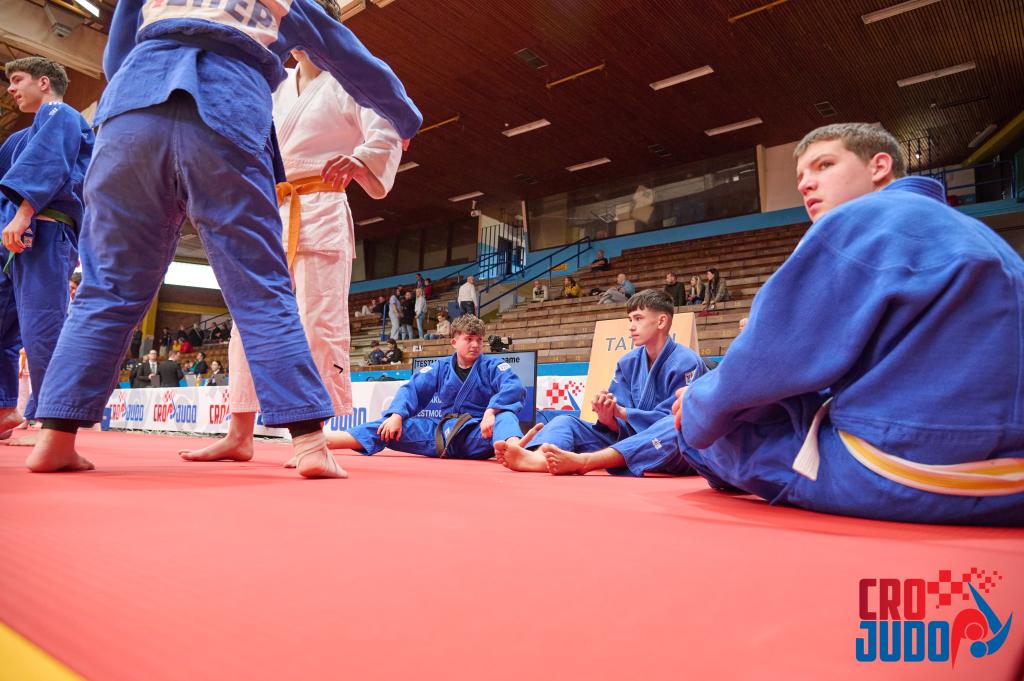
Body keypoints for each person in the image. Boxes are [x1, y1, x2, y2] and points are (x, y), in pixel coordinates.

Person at [540, 123, 1024, 527]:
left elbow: (765, 363)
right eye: (801, 176)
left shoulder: (859, 223)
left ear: (879, 166)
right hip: (1010, 476)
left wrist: (700, 404)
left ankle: (603, 459)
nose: (807, 184)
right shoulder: (983, 238)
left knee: (704, 433)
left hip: (917, 469)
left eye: (824, 165)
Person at [24, 0, 422, 476]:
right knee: (261, 292)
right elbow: (350, 55)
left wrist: (139, 90)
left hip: (133, 112)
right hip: (225, 117)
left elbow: (118, 54)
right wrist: (405, 117)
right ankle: (308, 443)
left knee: (107, 284)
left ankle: (55, 435)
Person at [179, 2, 407, 468]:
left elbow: (386, 126)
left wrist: (362, 158)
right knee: (248, 317)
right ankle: (239, 432)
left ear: (323, 28)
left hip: (321, 205)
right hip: (270, 210)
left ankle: (314, 438)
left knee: (317, 321)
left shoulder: (350, 78)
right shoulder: (276, 82)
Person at [497, 290, 704, 474]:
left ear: (661, 322)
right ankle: (539, 457)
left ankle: (586, 462)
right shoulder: (628, 362)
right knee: (566, 421)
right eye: (630, 320)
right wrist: (608, 415)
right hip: (626, 441)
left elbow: (677, 419)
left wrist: (623, 413)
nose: (631, 327)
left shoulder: (686, 362)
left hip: (667, 447)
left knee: (675, 427)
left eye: (638, 319)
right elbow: (617, 423)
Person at [0, 57, 93, 438]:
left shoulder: (61, 114)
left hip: (44, 229)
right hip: (9, 242)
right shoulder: (16, 140)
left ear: (43, 82)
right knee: (3, 329)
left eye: (17, 79)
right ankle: (5, 409)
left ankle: (53, 419)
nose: (10, 88)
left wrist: (24, 214)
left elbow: (50, 165)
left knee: (43, 326)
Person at [326, 315, 530, 460]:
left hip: (479, 434)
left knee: (505, 416)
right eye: (469, 339)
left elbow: (514, 387)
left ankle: (514, 451)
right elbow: (413, 389)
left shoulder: (493, 365)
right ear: (454, 342)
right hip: (442, 435)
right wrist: (396, 415)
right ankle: (327, 442)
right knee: (389, 425)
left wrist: (491, 411)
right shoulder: (440, 367)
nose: (475, 345)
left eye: (479, 340)